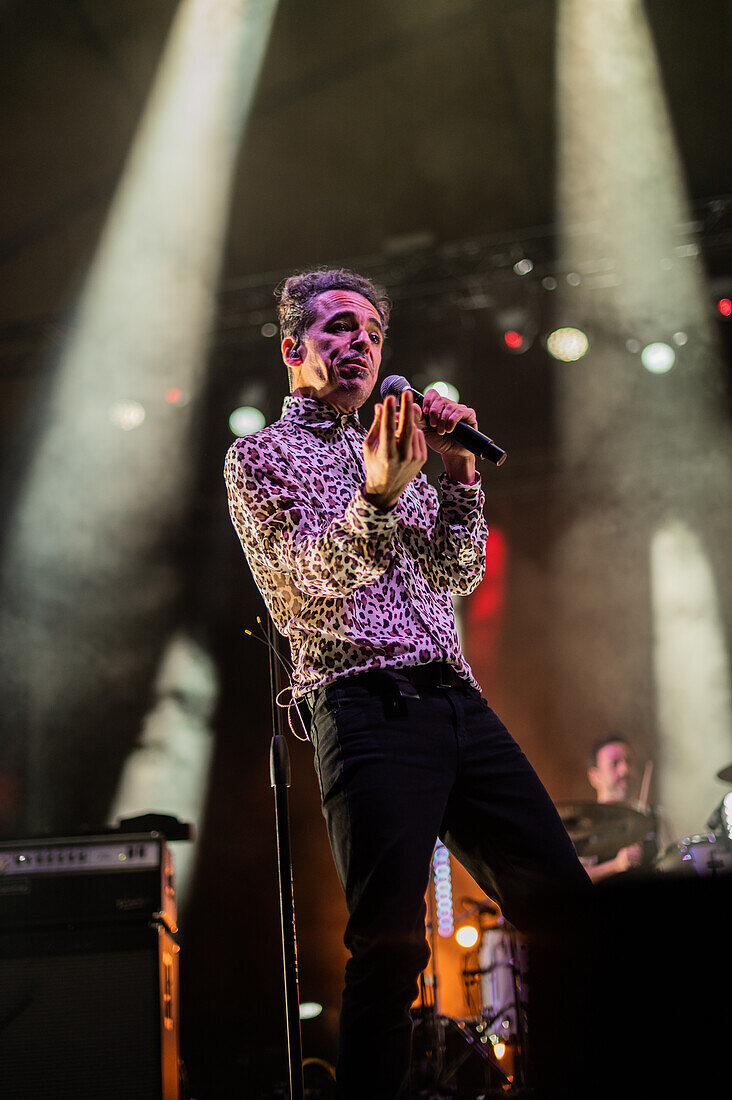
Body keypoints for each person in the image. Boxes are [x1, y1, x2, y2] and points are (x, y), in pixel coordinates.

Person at [224, 267, 591, 1099]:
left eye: (372, 334)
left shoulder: (397, 446)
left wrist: (459, 475)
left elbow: (457, 575)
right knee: (390, 947)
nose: (360, 344)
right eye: (340, 329)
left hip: (454, 700)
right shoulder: (260, 458)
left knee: (566, 910)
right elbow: (303, 584)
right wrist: (377, 499)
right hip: (363, 705)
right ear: (295, 348)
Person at [583, 735, 658, 882]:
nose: (625, 770)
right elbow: (571, 881)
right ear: (595, 776)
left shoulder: (655, 817)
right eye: (614, 764)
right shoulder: (582, 825)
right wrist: (615, 865)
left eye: (629, 762)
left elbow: (677, 861)